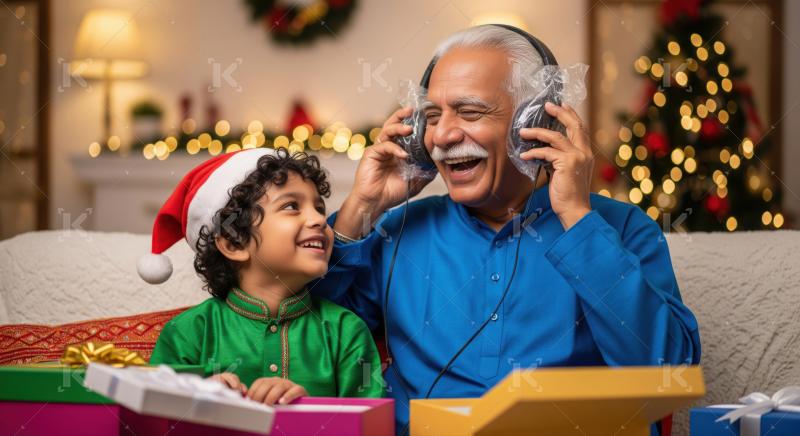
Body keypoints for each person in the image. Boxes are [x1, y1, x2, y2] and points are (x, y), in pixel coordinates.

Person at [311, 25, 701, 432]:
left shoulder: (620, 228)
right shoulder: (396, 231)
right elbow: (305, 340)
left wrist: (576, 218)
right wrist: (362, 209)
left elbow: (667, 371)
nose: (443, 135)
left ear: (533, 121)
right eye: (431, 117)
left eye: (470, 112)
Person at [140, 148, 383, 405]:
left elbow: (371, 423)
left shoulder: (348, 331)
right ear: (235, 243)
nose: (319, 221)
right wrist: (197, 400)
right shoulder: (188, 333)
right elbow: (152, 419)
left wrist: (307, 411)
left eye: (319, 208)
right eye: (292, 206)